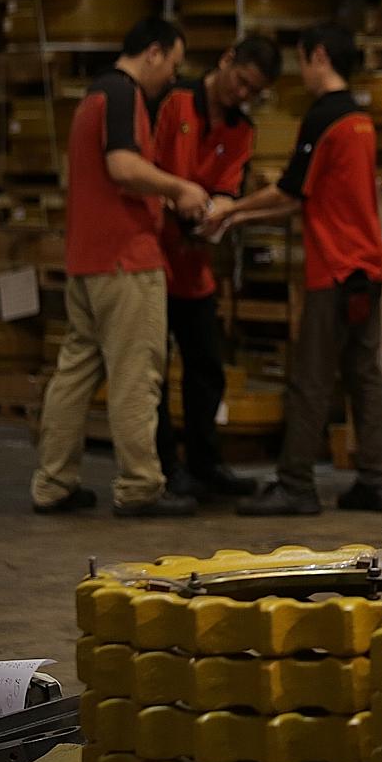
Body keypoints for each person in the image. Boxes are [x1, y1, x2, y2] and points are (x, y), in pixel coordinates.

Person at [198, 24, 382, 515]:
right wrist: (240, 213)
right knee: (363, 378)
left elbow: (291, 191)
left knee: (310, 379)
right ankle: (377, 481)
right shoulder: (359, 119)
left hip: (333, 268)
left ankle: (296, 484)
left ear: (318, 55)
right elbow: (309, 197)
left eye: (304, 61)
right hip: (369, 267)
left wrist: (231, 209)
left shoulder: (324, 118)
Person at [30, 16, 209, 517]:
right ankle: (140, 487)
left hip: (88, 260)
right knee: (137, 375)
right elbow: (123, 168)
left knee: (75, 373)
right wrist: (180, 189)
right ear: (152, 53)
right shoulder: (124, 95)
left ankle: (54, 483)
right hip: (125, 260)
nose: (172, 78)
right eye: (172, 65)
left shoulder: (91, 99)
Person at [151, 35, 281, 500]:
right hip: (153, 260)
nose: (242, 94)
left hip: (194, 266)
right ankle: (166, 469)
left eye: (253, 91)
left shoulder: (241, 130)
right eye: (241, 82)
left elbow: (225, 191)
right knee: (155, 373)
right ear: (226, 59)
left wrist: (217, 208)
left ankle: (205, 465)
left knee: (207, 367)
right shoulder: (175, 103)